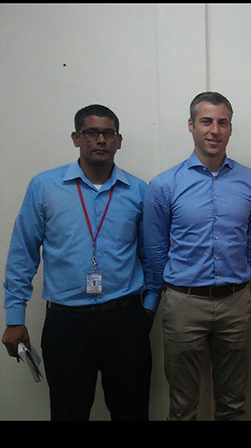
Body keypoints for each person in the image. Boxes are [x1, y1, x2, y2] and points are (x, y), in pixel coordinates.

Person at [2, 104, 155, 420]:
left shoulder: (139, 190)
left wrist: (149, 307)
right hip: (66, 324)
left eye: (108, 133)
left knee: (132, 411)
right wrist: (14, 317)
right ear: (76, 138)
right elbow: (23, 254)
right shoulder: (45, 187)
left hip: (125, 320)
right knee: (68, 412)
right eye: (91, 132)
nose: (100, 139)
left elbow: (151, 255)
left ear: (119, 140)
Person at [143, 91, 251, 420]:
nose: (214, 129)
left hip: (235, 303)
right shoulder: (165, 184)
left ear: (230, 129)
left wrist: (234, 280)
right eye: (206, 121)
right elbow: (155, 249)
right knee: (183, 405)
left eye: (222, 122)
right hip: (184, 303)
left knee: (233, 403)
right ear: (191, 126)